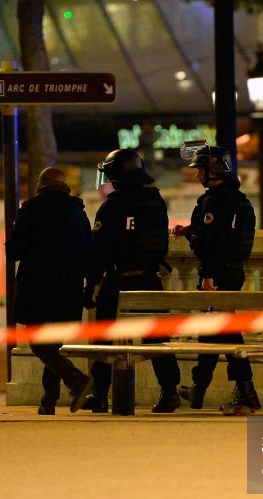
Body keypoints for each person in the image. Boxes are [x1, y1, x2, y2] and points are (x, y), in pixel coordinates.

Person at [80, 149, 181, 413]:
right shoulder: (156, 202)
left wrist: (90, 285)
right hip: (150, 279)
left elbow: (98, 251)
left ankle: (100, 393)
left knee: (103, 336)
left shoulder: (112, 207)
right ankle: (169, 391)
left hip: (118, 281)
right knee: (157, 339)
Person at [172, 144, 260, 414]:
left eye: (200, 170)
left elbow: (211, 244)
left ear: (214, 170)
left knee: (227, 331)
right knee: (213, 330)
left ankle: (247, 392)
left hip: (218, 274)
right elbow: (225, 236)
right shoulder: (237, 199)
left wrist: (208, 275)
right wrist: (190, 230)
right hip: (234, 271)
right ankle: (199, 389)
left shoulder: (214, 201)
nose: (197, 176)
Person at [6, 166, 94, 415]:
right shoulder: (78, 213)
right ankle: (49, 400)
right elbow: (89, 250)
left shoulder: (31, 210)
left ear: (40, 187)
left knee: (38, 342)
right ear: (64, 187)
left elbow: (13, 251)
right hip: (69, 289)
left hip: (37, 287)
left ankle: (76, 380)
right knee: (53, 344)